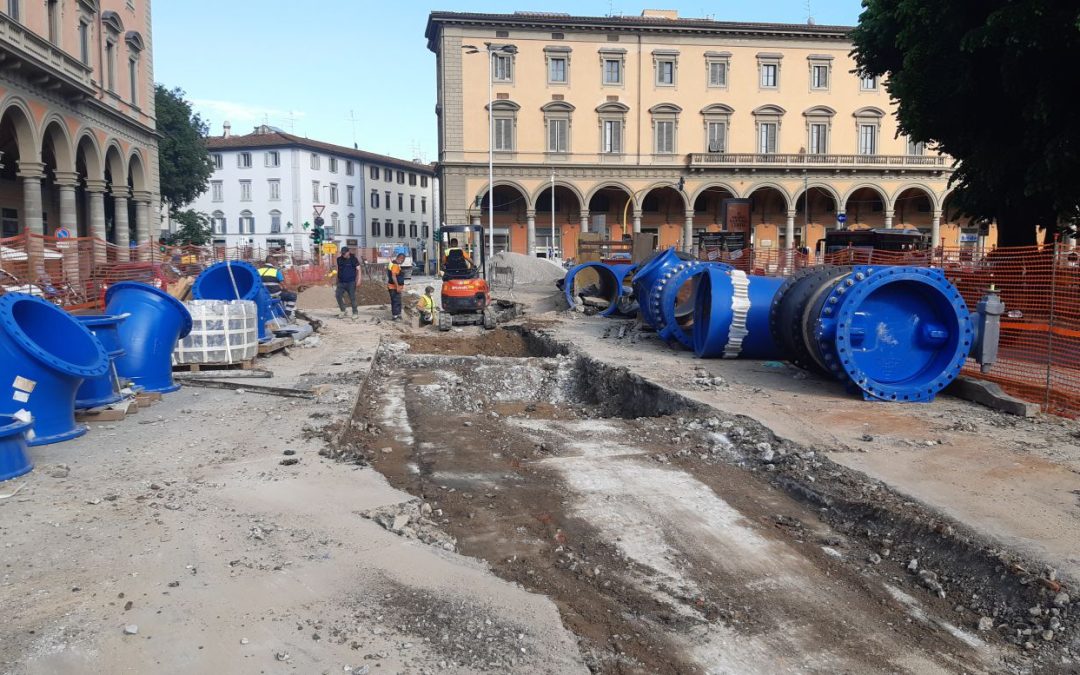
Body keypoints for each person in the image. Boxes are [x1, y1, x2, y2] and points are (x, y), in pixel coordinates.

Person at [335, 247, 360, 319]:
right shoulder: (339, 259)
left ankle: (355, 312)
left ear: (348, 252)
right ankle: (343, 310)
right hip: (341, 282)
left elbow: (358, 269)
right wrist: (336, 279)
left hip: (351, 282)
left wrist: (358, 280)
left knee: (352, 297)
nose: (343, 255)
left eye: (344, 253)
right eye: (342, 254)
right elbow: (338, 269)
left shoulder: (354, 259)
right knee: (338, 295)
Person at [386, 252, 406, 321]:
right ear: (401, 258)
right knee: (395, 301)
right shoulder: (395, 265)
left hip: (395, 287)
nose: (403, 262)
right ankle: (395, 316)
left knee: (397, 301)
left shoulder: (395, 264)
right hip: (393, 287)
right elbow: (393, 276)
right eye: (403, 260)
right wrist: (397, 286)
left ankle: (398, 315)